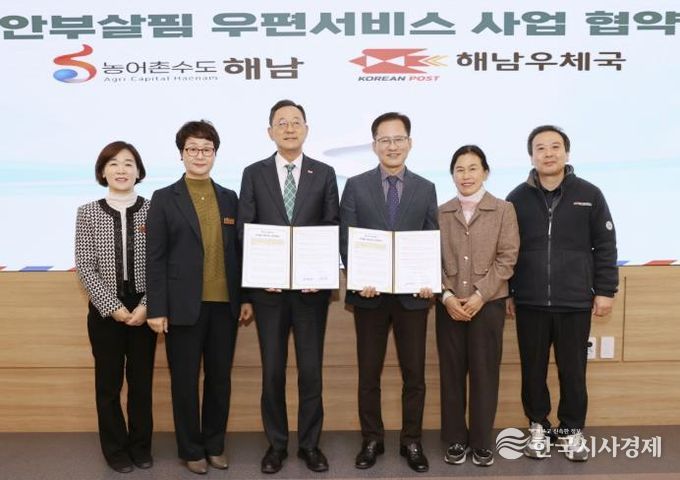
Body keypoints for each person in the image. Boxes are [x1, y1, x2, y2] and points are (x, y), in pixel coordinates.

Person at [238, 100, 339, 474]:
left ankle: (310, 445)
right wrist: (254, 283)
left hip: (311, 295)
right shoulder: (254, 173)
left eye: (296, 122)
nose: (290, 128)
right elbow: (245, 230)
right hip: (268, 294)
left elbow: (331, 226)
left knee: (311, 372)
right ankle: (276, 445)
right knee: (273, 372)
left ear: (306, 129)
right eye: (282, 122)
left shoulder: (324, 173)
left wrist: (321, 275)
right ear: (270, 132)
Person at [146, 120, 252, 475]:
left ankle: (215, 445)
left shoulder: (229, 197)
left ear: (215, 154)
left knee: (220, 379)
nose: (199, 155)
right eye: (192, 148)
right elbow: (155, 257)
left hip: (225, 306)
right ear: (181, 154)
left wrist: (246, 297)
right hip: (181, 307)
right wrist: (157, 308)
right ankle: (191, 448)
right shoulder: (164, 198)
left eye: (206, 149)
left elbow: (240, 253)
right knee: (185, 381)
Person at [506, 125, 618, 462]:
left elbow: (606, 245)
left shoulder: (590, 194)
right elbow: (507, 250)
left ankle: (571, 430)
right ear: (531, 156)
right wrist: (508, 291)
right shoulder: (516, 198)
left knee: (573, 372)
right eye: (540, 148)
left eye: (555, 146)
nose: (548, 153)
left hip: (575, 301)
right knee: (533, 370)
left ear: (566, 153)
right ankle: (538, 426)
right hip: (530, 301)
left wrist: (606, 290)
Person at [340, 112, 438, 473]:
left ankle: (412, 440)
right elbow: (346, 237)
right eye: (385, 140)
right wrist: (358, 275)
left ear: (409, 143)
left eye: (398, 139)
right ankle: (372, 438)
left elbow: (431, 237)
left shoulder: (426, 188)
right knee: (369, 374)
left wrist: (428, 278)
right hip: (370, 297)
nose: (392, 146)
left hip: (413, 298)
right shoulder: (356, 186)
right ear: (374, 145)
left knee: (415, 375)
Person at [75, 141, 157, 473]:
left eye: (128, 163)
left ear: (138, 171)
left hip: (144, 309)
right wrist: (112, 306)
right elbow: (85, 266)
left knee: (141, 384)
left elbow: (161, 263)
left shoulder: (154, 209)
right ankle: (115, 450)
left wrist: (147, 305)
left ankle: (140, 446)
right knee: (108, 386)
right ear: (102, 171)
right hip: (105, 311)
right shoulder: (87, 212)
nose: (121, 170)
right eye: (113, 164)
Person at [437, 145, 519, 467]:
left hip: (488, 305)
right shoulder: (441, 212)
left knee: (485, 374)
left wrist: (480, 295)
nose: (466, 175)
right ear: (452, 175)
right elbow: (430, 259)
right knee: (452, 375)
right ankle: (456, 440)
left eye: (473, 168)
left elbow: (507, 258)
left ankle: (482, 442)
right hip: (449, 306)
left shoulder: (503, 210)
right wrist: (446, 296)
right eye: (459, 169)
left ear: (485, 172)